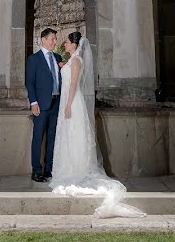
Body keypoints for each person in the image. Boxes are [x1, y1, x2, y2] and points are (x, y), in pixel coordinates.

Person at [50, 31, 145, 218]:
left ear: (74, 45)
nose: (64, 44)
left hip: (72, 101)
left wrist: (68, 104)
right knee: (67, 135)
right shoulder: (71, 60)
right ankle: (67, 166)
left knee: (74, 135)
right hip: (66, 102)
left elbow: (73, 84)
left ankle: (76, 169)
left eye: (67, 42)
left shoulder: (76, 61)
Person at [25, 27, 62, 182]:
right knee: (38, 138)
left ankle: (48, 169)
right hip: (41, 104)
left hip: (57, 103)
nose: (55, 41)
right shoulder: (34, 59)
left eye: (55, 39)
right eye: (52, 39)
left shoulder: (58, 57)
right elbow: (30, 82)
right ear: (44, 40)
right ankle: (36, 171)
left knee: (53, 137)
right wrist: (33, 102)